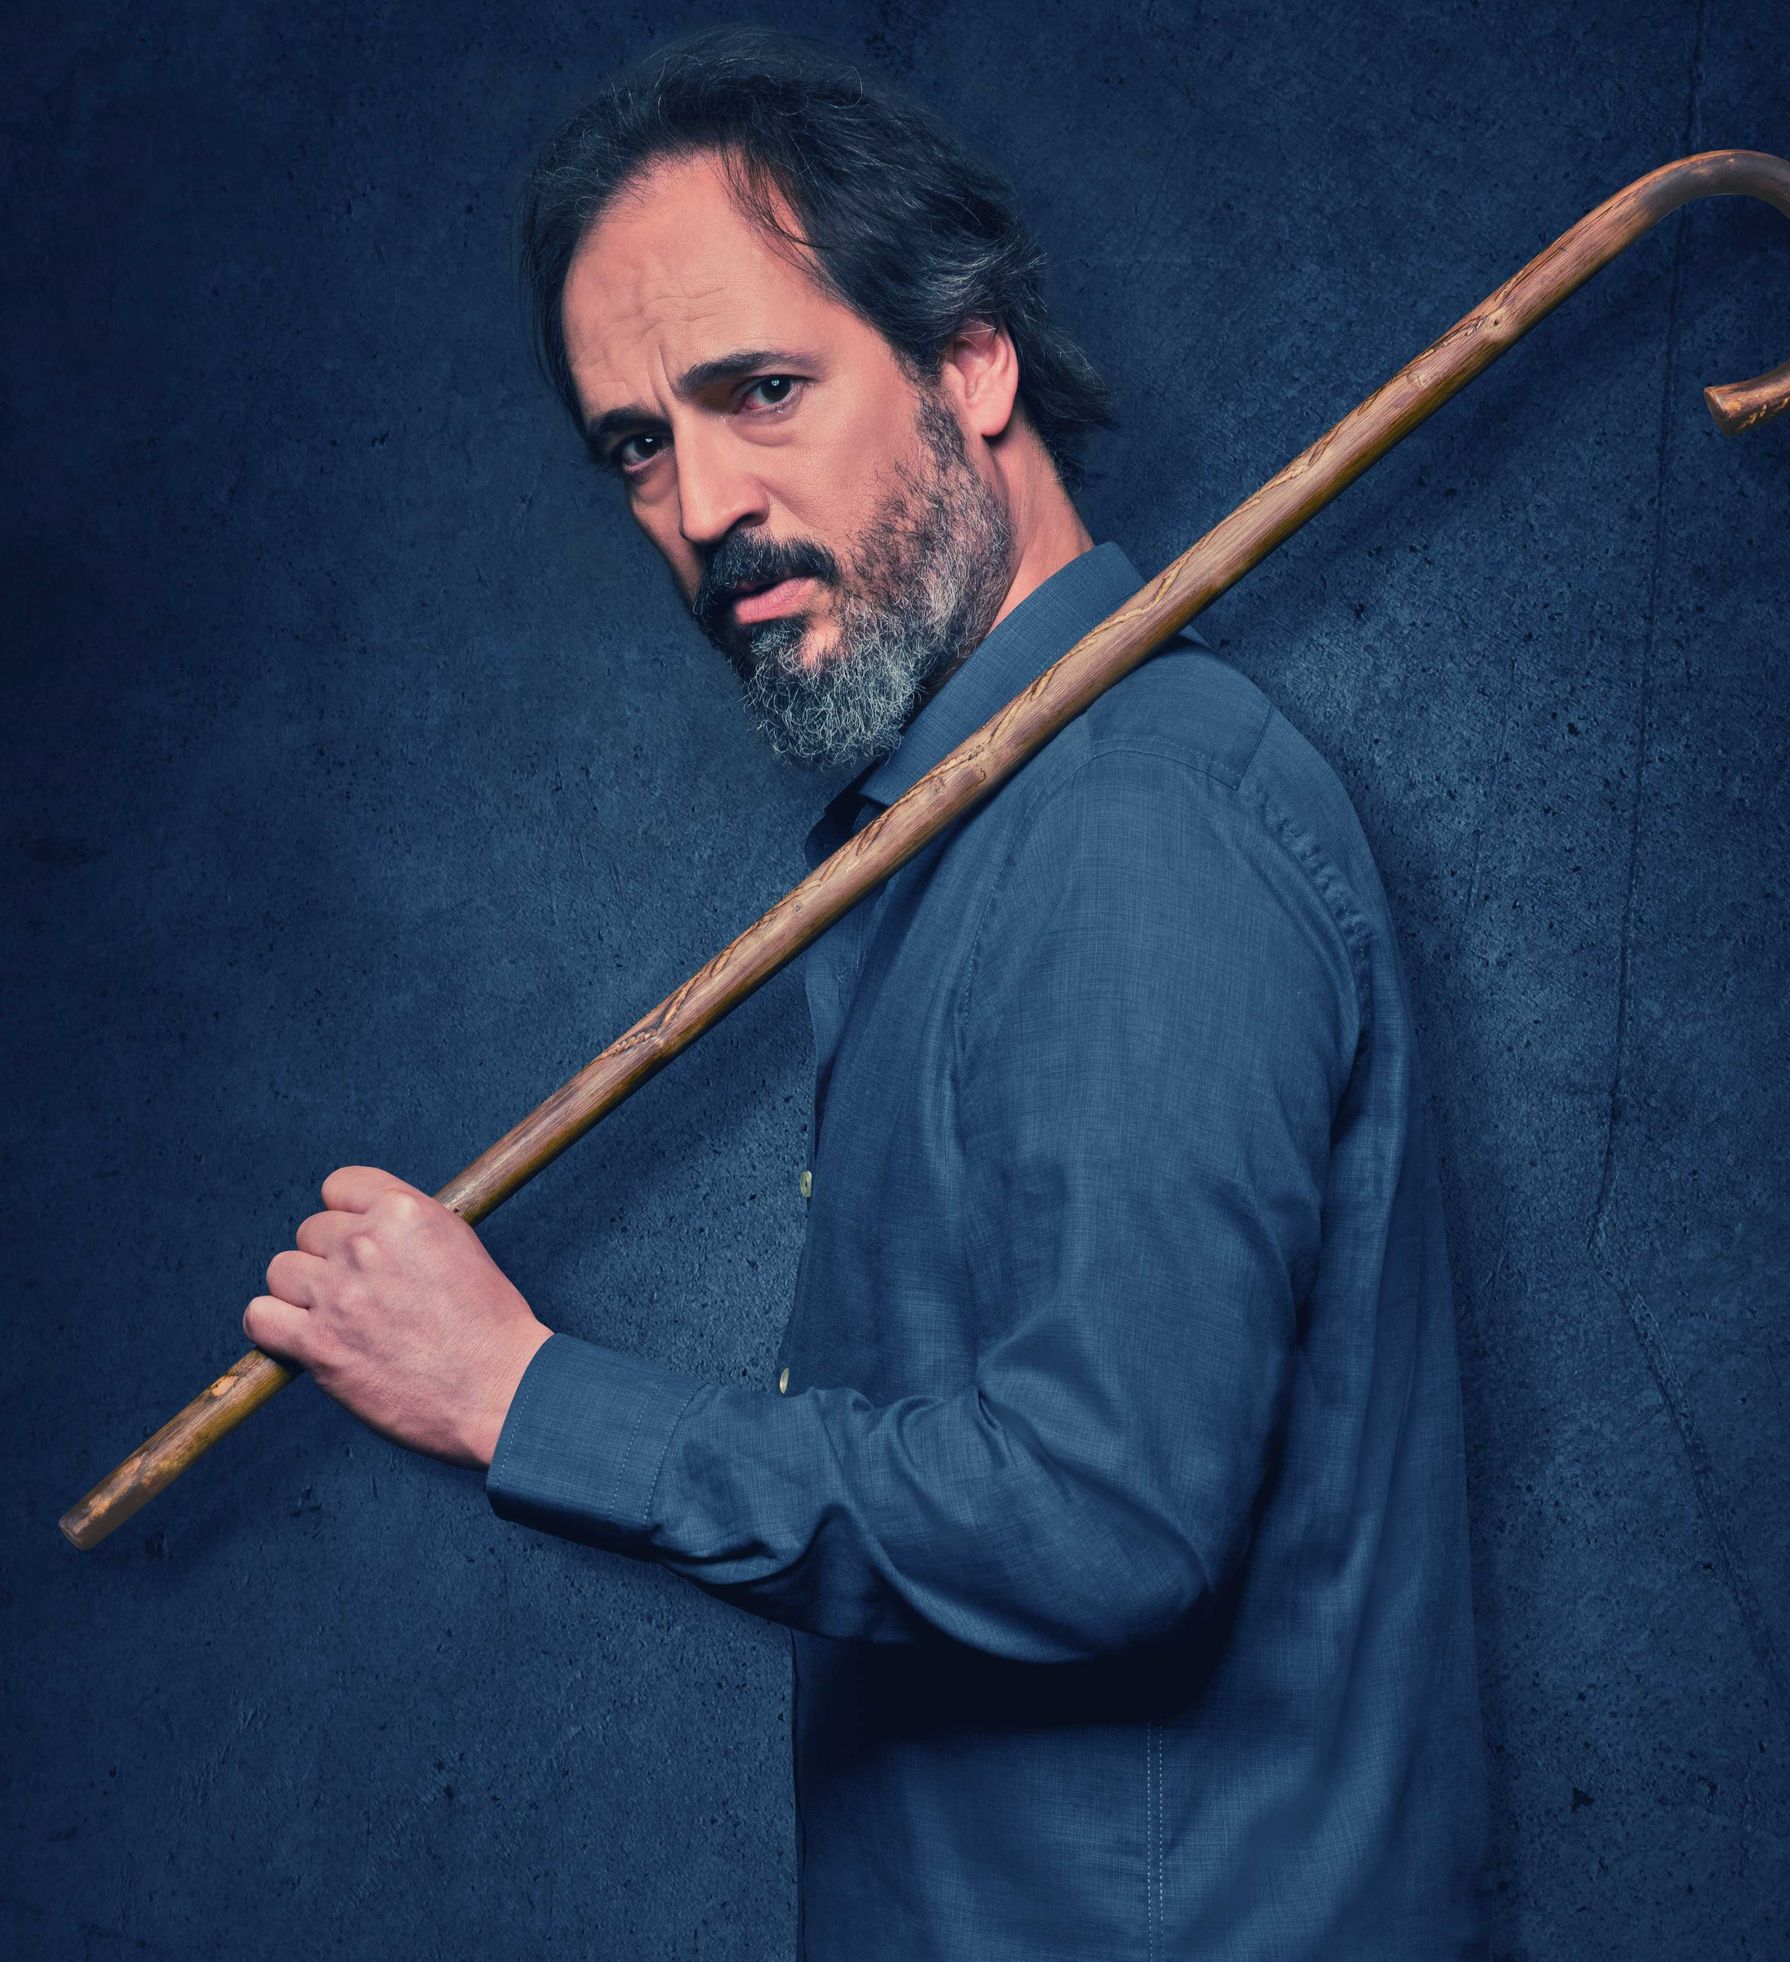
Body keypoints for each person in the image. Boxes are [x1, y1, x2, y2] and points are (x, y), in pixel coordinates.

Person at [243, 27, 1490, 1959]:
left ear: (969, 362)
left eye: (760, 390)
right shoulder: (960, 831)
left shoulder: (1136, 825)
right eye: (637, 444)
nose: (700, 502)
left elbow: (1102, 1519)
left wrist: (521, 1394)